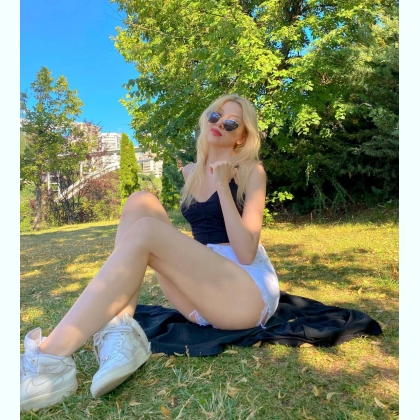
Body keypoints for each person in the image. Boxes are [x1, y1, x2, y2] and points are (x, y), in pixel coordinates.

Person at [20, 94, 280, 411]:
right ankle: (119, 332)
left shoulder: (252, 171)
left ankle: (50, 360)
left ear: (241, 136)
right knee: (140, 201)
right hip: (203, 294)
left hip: (245, 294)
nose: (219, 124)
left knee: (147, 231)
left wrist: (224, 185)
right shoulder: (191, 172)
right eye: (215, 115)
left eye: (231, 123)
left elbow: (246, 251)